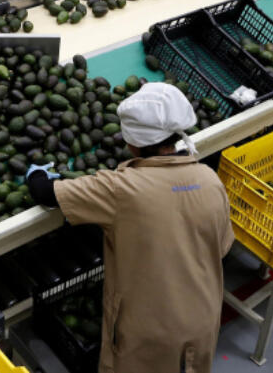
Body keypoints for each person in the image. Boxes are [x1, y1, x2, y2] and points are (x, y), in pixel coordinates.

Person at [26, 83, 234, 373]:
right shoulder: (210, 179)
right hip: (203, 319)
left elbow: (45, 193)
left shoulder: (121, 189)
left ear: (132, 142)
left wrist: (36, 172)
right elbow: (222, 246)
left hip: (150, 332)